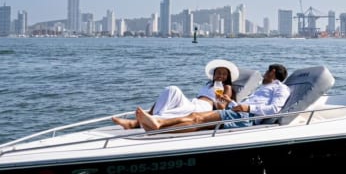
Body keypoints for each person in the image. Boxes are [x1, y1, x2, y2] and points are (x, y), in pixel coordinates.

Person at [137, 64, 290, 132]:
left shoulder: (281, 88)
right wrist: (231, 103)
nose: (264, 74)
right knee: (195, 117)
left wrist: (248, 107)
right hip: (239, 112)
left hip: (247, 117)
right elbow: (241, 106)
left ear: (273, 72)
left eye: (266, 71)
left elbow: (275, 109)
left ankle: (159, 124)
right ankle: (157, 123)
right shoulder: (262, 89)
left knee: (196, 118)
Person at [112, 59, 239, 130]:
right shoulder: (208, 84)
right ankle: (148, 120)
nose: (220, 76)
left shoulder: (227, 87)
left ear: (227, 77)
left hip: (204, 108)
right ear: (214, 74)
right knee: (172, 89)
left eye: (224, 74)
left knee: (176, 107)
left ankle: (137, 123)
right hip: (194, 102)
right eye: (218, 73)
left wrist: (219, 100)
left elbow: (223, 108)